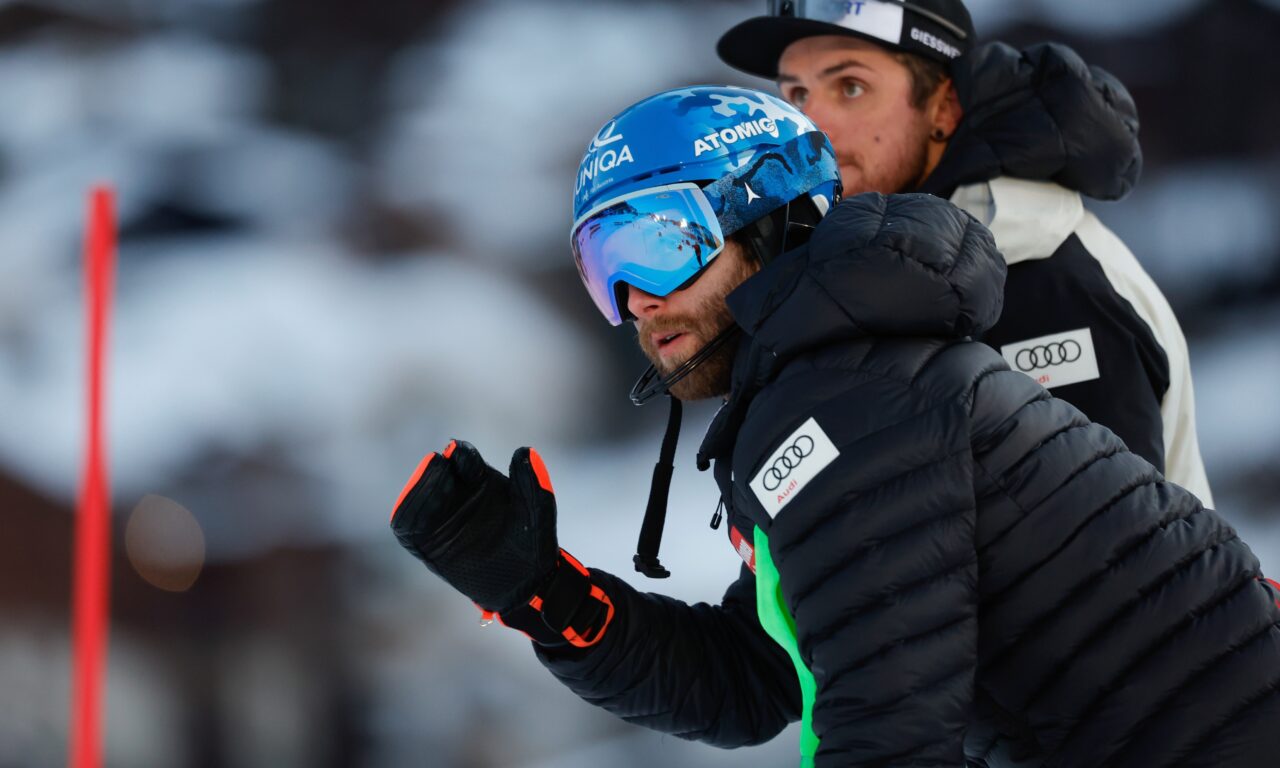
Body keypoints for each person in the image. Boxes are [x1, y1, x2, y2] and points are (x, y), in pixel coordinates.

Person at [390, 85, 1280, 767]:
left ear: (775, 225)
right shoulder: (845, 389)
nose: (637, 302)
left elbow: (886, 734)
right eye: (603, 267)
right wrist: (547, 595)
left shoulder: (848, 407)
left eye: (660, 245)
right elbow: (757, 677)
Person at [716, 0, 1215, 507]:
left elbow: (1115, 558)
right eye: (796, 95)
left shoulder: (1037, 271)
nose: (810, 128)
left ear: (944, 107)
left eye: (850, 87)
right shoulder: (895, 280)